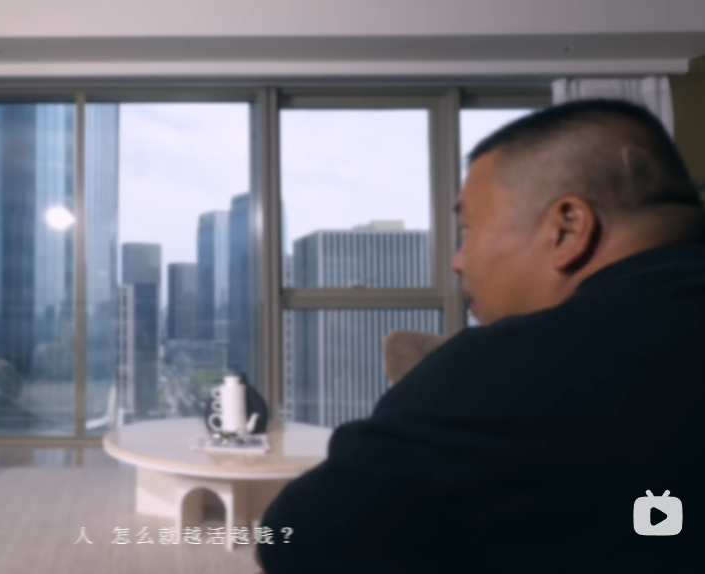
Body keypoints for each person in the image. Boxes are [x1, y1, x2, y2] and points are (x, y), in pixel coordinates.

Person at [256, 99, 705, 573]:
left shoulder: (513, 367)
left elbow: (297, 540)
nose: (457, 261)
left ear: (568, 228)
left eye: (467, 229)